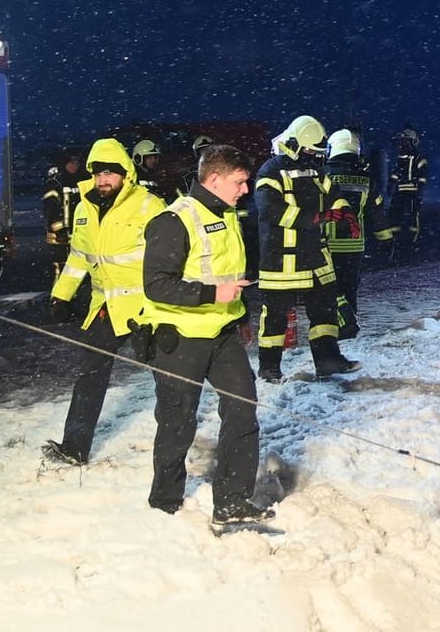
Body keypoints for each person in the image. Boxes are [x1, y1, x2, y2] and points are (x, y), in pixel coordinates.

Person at [139, 143, 273, 525]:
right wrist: (213, 295)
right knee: (177, 422)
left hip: (224, 334)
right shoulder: (173, 221)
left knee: (242, 410)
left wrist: (240, 314)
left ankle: (231, 501)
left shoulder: (227, 213)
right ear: (213, 179)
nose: (245, 190)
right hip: (181, 338)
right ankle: (164, 501)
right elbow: (156, 285)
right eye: (239, 182)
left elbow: (230, 275)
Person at [40, 138, 166, 467]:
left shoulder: (148, 205)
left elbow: (169, 257)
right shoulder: (84, 208)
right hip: (104, 308)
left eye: (110, 174)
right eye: (97, 174)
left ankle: (173, 443)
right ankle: (74, 448)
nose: (102, 180)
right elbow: (79, 257)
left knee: (167, 376)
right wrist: (61, 294)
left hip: (144, 308)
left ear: (126, 174)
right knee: (90, 376)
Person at [252, 115, 359, 382]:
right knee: (275, 318)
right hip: (282, 262)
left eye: (316, 152)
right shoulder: (269, 172)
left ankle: (328, 362)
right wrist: (315, 218)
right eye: (310, 150)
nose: (313, 156)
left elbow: (334, 195)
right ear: (293, 144)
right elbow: (271, 210)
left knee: (324, 314)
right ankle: (269, 369)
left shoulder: (314, 171)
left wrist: (345, 213)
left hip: (316, 260)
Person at [321, 129, 385, 339]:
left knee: (329, 289)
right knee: (350, 289)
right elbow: (377, 213)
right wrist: (387, 240)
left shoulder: (323, 176)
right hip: (355, 244)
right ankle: (350, 322)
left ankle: (335, 327)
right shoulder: (367, 180)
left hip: (328, 244)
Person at [384, 125, 428, 256]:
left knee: (413, 215)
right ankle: (395, 239)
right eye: (401, 141)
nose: (402, 143)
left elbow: (423, 175)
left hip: (413, 191)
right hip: (400, 191)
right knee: (394, 214)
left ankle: (413, 240)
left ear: (412, 141)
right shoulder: (401, 157)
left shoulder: (419, 158)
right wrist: (391, 183)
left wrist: (419, 190)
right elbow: (396, 172)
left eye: (405, 140)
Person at [41, 149, 84, 278]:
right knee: (60, 269)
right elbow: (51, 209)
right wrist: (59, 230)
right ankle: (58, 297)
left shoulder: (81, 181)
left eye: (76, 163)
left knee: (78, 270)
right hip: (59, 237)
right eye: (71, 163)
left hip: (77, 234)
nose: (74, 166)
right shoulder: (55, 183)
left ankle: (74, 296)